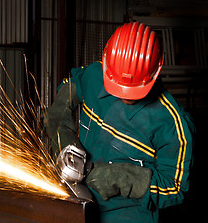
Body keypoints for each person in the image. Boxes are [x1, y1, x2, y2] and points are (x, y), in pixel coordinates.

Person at [44, 22, 195, 223]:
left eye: (132, 90)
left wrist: (120, 178)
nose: (123, 95)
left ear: (155, 71)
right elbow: (73, 84)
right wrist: (62, 134)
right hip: (74, 200)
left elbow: (176, 188)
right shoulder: (95, 74)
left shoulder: (173, 125)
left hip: (126, 215)